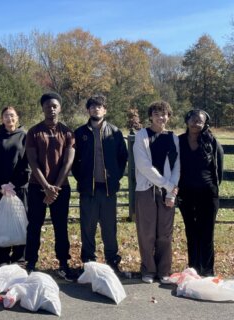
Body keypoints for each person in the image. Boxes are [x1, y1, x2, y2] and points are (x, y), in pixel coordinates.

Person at [72, 95, 128, 273]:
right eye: (93, 106)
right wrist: (81, 178)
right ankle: (89, 261)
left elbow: (122, 157)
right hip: (88, 188)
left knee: (109, 227)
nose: (96, 109)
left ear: (105, 110)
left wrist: (115, 177)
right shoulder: (80, 133)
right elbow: (73, 160)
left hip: (108, 189)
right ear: (88, 110)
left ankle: (112, 260)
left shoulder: (115, 132)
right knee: (87, 226)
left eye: (100, 106)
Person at [24, 92, 76, 281]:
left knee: (60, 226)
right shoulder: (34, 132)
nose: (51, 109)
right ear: (43, 108)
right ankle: (30, 262)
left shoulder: (68, 132)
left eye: (55, 106)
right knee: (34, 226)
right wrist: (46, 187)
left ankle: (63, 263)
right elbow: (32, 161)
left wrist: (55, 188)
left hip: (61, 188)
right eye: (48, 106)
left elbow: (68, 163)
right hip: (37, 187)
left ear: (59, 108)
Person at [133, 101, 180, 284]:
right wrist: (167, 185)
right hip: (146, 190)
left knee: (165, 233)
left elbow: (177, 166)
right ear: (150, 116)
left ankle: (164, 271)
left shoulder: (173, 138)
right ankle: (148, 270)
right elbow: (143, 166)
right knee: (147, 232)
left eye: (164, 114)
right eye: (157, 114)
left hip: (168, 191)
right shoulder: (141, 136)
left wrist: (171, 192)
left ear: (169, 116)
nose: (161, 117)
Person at [178, 109, 223, 276]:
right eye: (193, 119)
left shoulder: (211, 141)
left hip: (208, 193)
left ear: (205, 124)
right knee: (191, 231)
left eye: (200, 120)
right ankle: (194, 269)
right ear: (187, 120)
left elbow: (218, 168)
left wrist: (213, 187)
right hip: (186, 193)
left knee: (207, 231)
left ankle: (208, 270)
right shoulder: (179, 141)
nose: (196, 123)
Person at [0, 106, 30, 266]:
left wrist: (13, 184)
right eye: (6, 116)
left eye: (12, 116)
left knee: (20, 221)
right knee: (0, 222)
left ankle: (19, 258)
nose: (9, 119)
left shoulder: (25, 137)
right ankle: (1, 257)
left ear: (17, 118)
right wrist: (0, 186)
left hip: (19, 189)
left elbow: (27, 163)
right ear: (1, 119)